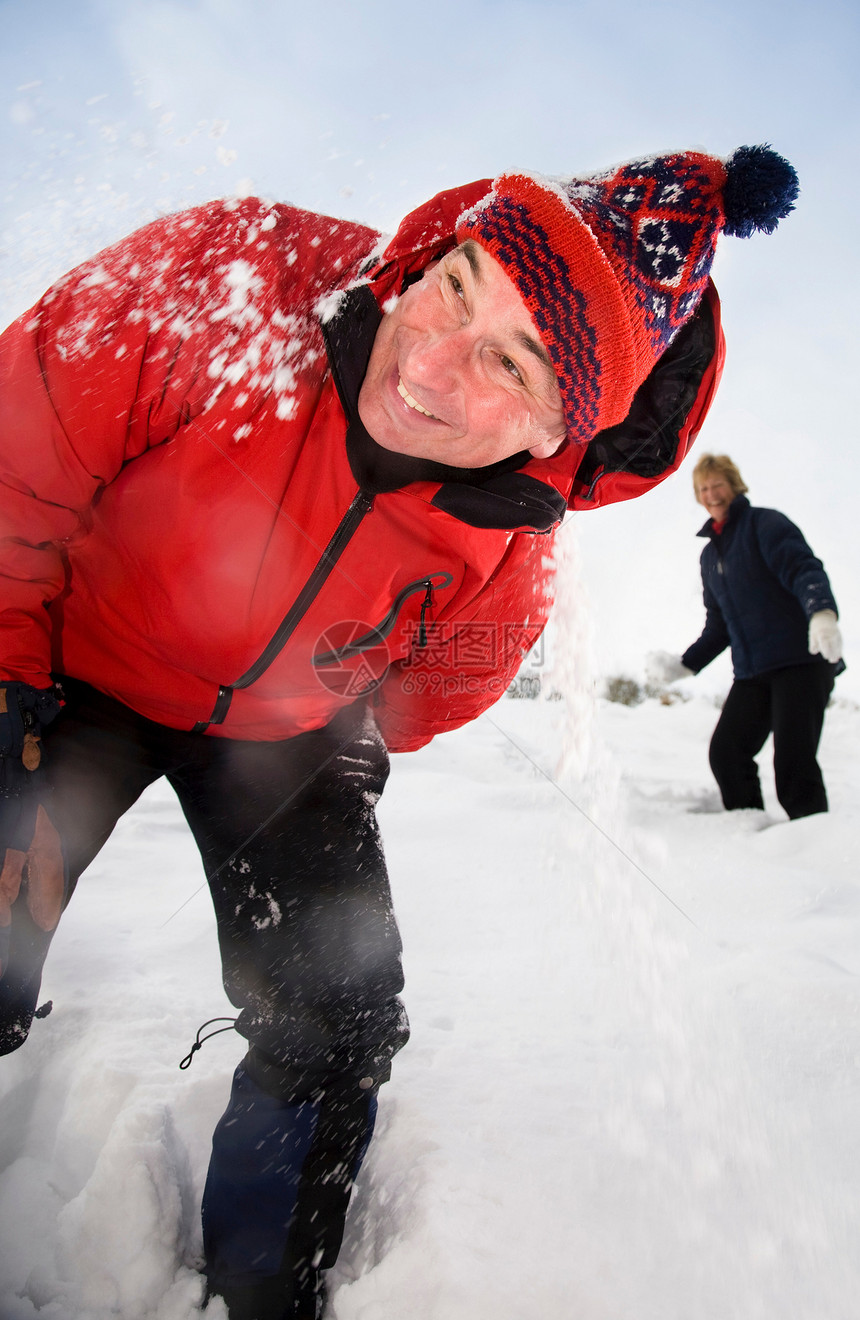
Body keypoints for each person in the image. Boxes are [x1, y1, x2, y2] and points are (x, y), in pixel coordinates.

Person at [0, 145, 798, 1318]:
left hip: (278, 739)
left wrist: (337, 733)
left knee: (337, 1014)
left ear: (553, 431)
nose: (428, 360)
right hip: (66, 660)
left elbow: (430, 698)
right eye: (457, 286)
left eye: (508, 362)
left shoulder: (511, 558)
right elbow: (15, 463)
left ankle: (260, 1288)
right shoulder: (232, 278)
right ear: (432, 246)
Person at [649, 453, 844, 819]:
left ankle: (814, 849)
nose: (712, 494)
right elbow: (718, 625)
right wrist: (685, 666)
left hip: (801, 661)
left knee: (794, 763)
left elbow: (803, 568)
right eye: (703, 488)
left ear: (734, 486)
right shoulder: (710, 556)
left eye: (718, 484)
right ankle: (750, 836)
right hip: (754, 673)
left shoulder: (764, 524)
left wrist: (821, 613)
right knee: (727, 753)